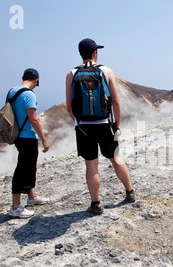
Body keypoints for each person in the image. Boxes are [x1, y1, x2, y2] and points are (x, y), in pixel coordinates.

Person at [66, 38, 135, 214]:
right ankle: (129, 193)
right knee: (116, 158)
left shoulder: (71, 74)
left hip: (83, 127)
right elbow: (116, 101)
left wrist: (78, 121)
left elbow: (69, 106)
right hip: (106, 124)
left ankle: (96, 204)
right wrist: (117, 123)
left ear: (81, 53)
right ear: (95, 52)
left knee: (91, 165)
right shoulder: (106, 71)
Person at [8, 68, 50, 219]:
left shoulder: (12, 92)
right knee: (23, 169)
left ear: (23, 77)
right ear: (36, 81)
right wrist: (44, 140)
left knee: (28, 167)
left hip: (17, 136)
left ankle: (32, 197)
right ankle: (15, 207)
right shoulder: (29, 94)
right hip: (27, 137)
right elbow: (33, 119)